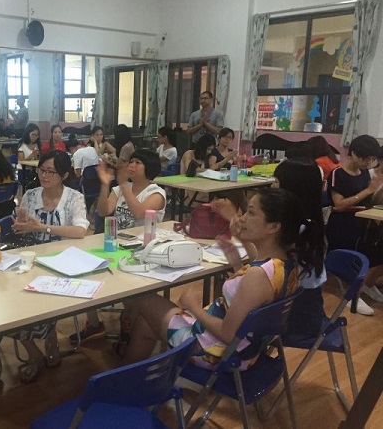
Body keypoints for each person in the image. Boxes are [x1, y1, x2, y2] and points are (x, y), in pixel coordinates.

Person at [121, 188, 316, 368]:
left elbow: (227, 333)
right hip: (245, 349)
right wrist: (236, 261)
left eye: (251, 213)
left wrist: (194, 307)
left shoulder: (258, 275)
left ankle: (126, 371)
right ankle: (132, 377)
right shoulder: (285, 264)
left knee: (141, 297)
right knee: (145, 324)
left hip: (215, 351)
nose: (243, 218)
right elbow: (252, 294)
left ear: (273, 227)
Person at [71, 148, 166, 344]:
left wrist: (123, 185)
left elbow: (139, 212)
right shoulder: (120, 189)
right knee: (85, 271)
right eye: (131, 161)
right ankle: (94, 324)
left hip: (141, 251)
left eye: (138, 162)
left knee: (132, 295)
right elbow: (104, 211)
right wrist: (106, 184)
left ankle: (129, 324)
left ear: (149, 168)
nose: (132, 165)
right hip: (117, 246)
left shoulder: (156, 193)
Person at [10, 150, 89, 382]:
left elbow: (80, 231)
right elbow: (22, 229)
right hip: (31, 259)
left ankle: (50, 334)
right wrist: (21, 225)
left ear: (64, 175)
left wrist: (42, 228)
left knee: (45, 296)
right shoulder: (31, 195)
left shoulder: (74, 198)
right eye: (41, 170)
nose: (43, 176)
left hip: (62, 261)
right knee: (13, 300)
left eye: (50, 172)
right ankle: (34, 351)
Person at [326, 135, 383, 315]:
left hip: (363, 220)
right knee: (359, 250)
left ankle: (367, 284)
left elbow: (368, 200)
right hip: (343, 223)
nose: (368, 163)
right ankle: (352, 294)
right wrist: (369, 190)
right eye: (365, 158)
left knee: (379, 246)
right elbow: (339, 205)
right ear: (353, 153)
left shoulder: (364, 173)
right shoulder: (338, 173)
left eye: (372, 159)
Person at [271, 158, 326, 336]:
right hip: (307, 306)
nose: (272, 187)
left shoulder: (299, 229)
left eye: (276, 182)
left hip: (297, 315)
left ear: (290, 189)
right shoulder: (311, 219)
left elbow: (265, 262)